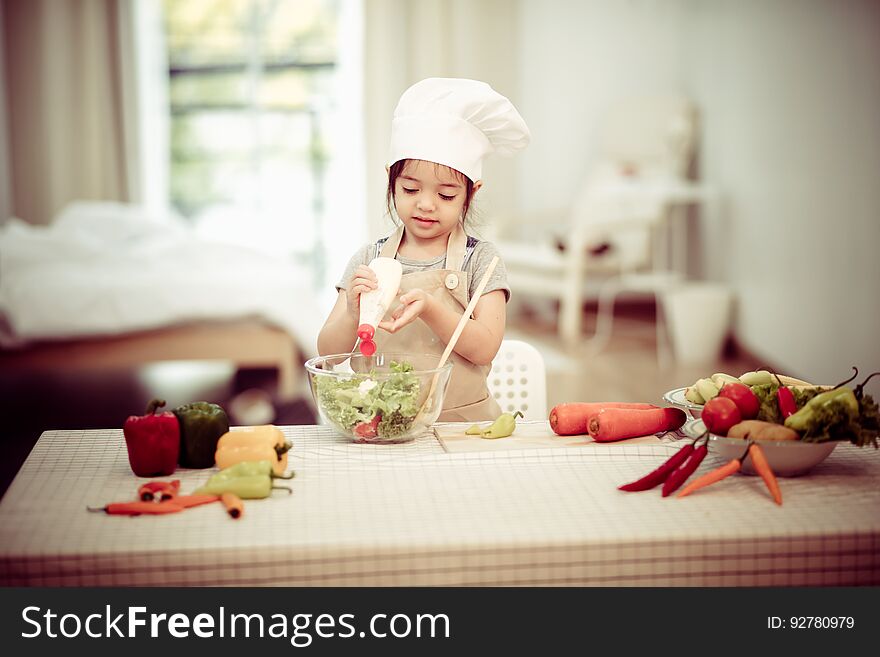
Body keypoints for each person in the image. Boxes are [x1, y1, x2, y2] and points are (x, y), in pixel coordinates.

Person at [317, 78, 530, 421]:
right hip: (381, 427)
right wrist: (354, 314)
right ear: (391, 181)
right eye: (411, 188)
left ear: (471, 192)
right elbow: (328, 352)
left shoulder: (482, 260)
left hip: (462, 429)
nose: (426, 204)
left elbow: (485, 347)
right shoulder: (368, 259)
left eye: (446, 195)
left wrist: (433, 309)